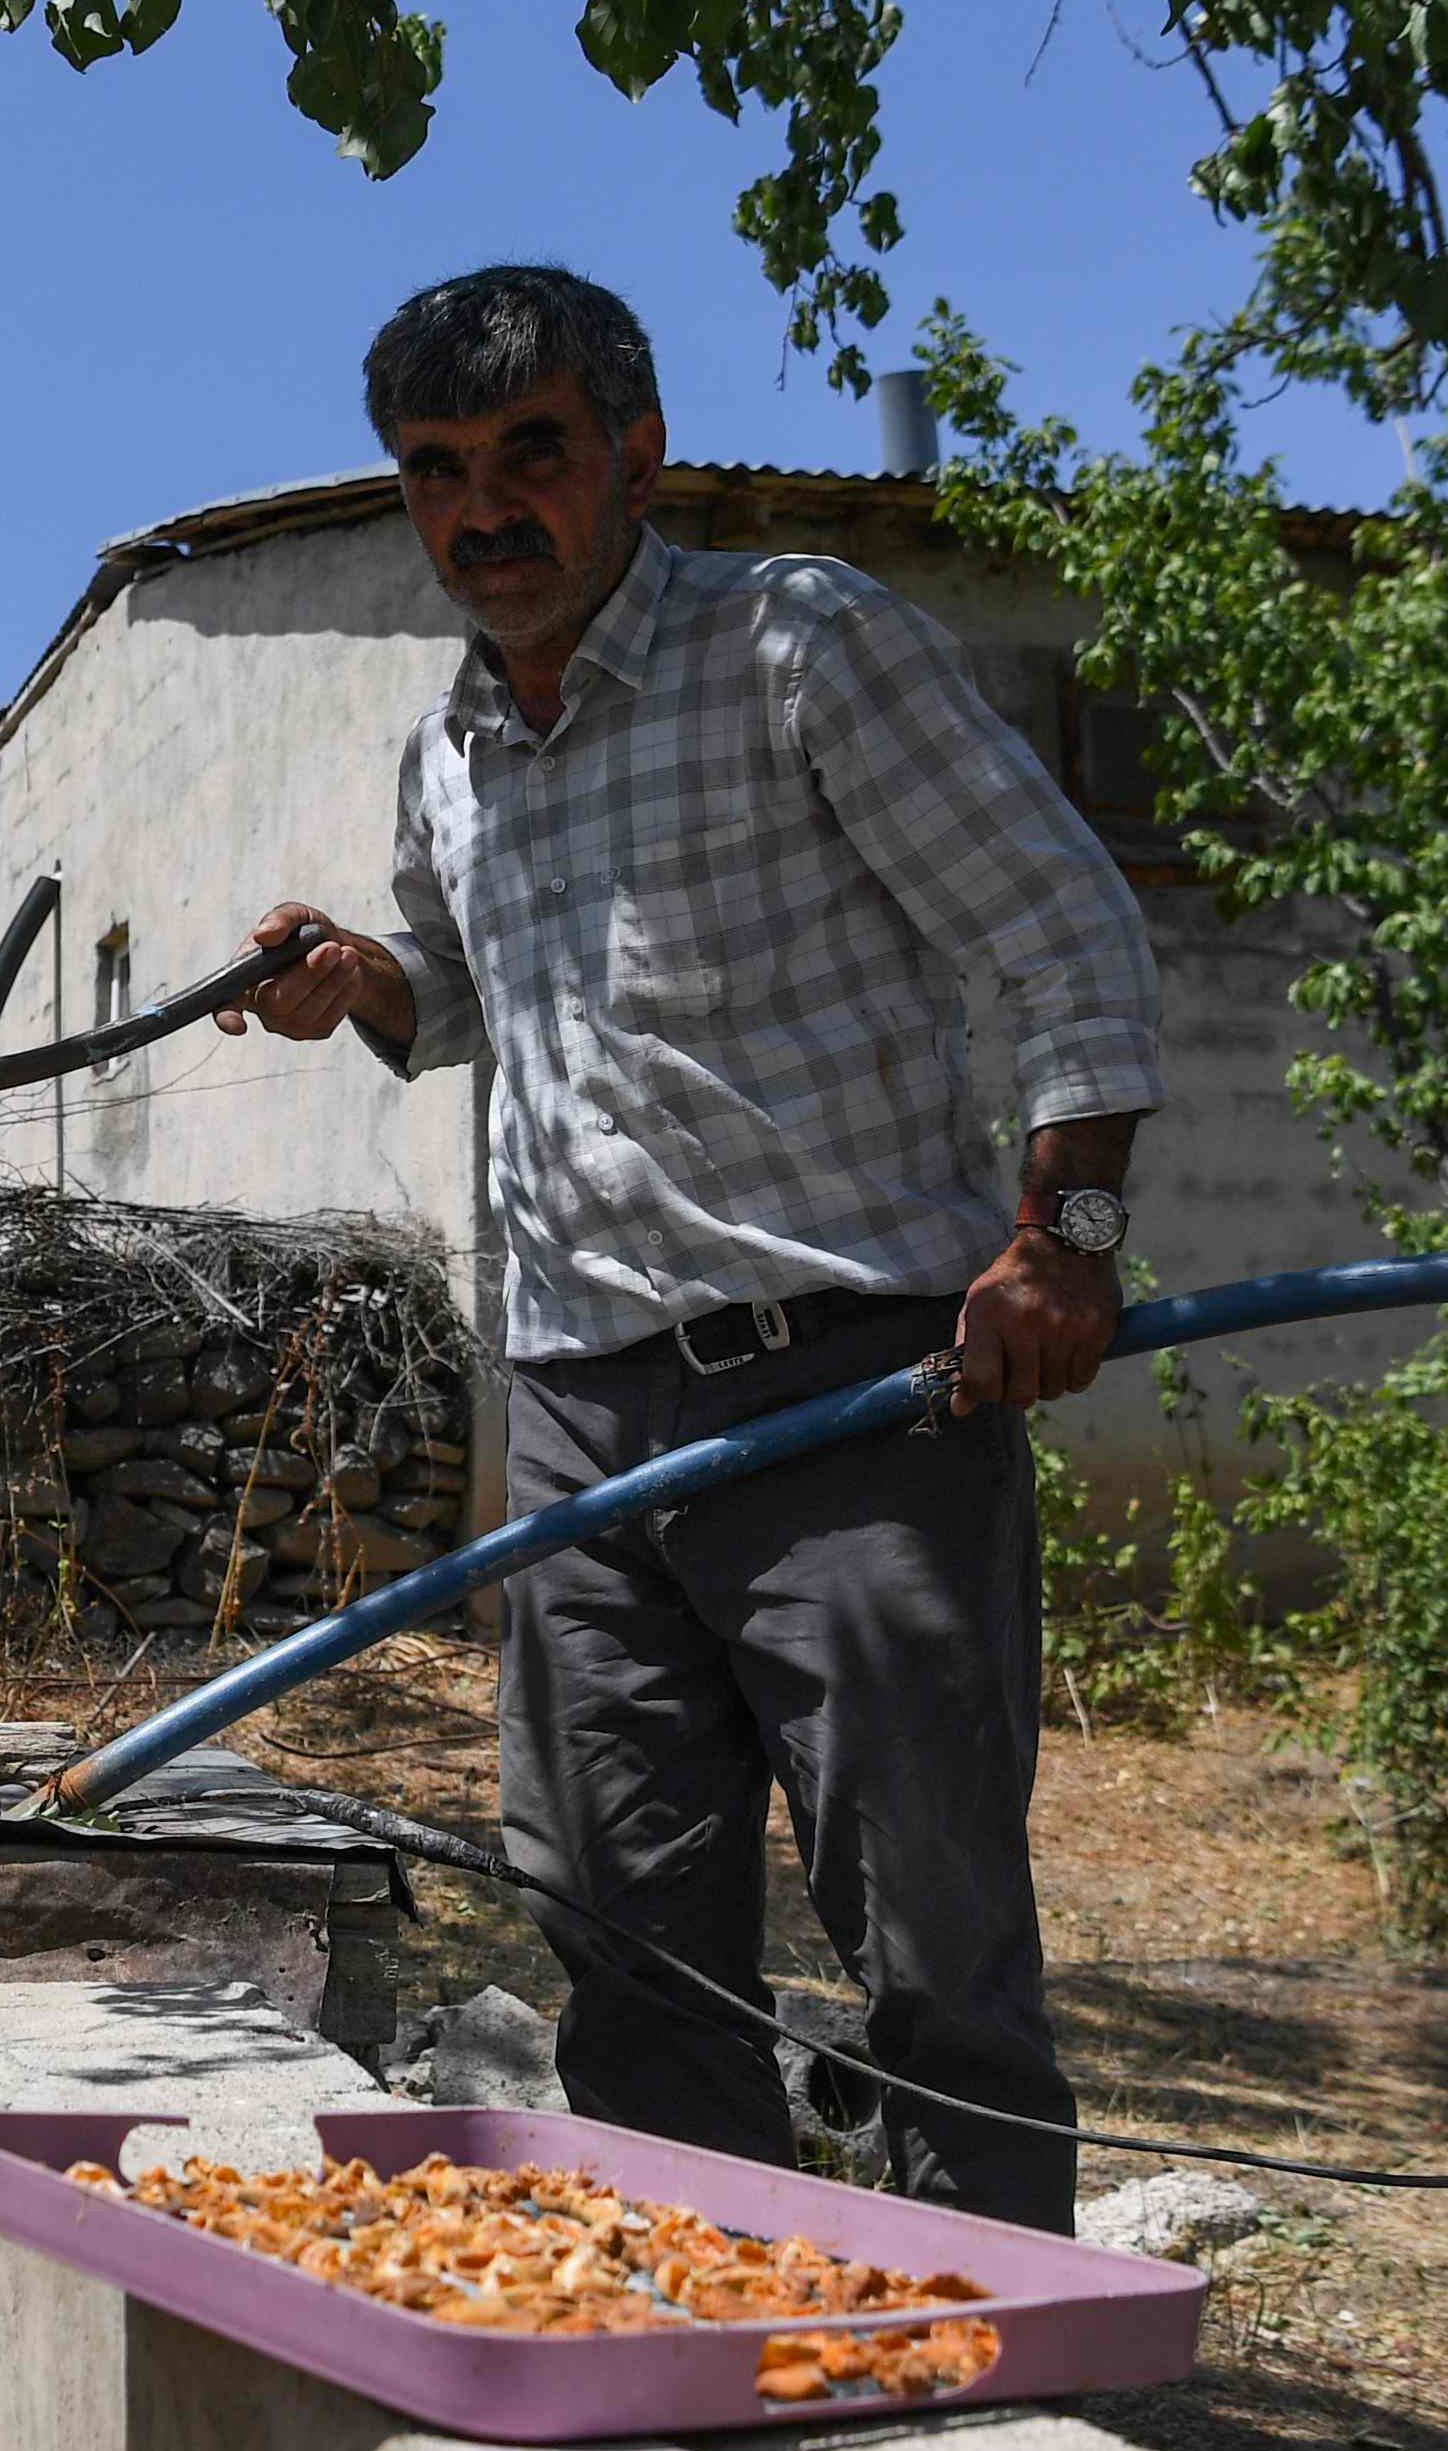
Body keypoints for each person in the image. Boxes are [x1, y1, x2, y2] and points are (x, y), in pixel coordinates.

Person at [223, 264, 1162, 2234]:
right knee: (624, 1954)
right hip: (578, 1435)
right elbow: (465, 995)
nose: (485, 510)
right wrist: (354, 985)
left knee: (933, 1954)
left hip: (855, 1401)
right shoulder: (452, 755)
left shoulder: (801, 650)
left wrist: (1063, 1237)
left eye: (531, 457)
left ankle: (999, 2401)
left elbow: (1068, 928)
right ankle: (695, 2376)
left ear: (638, 454)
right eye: (436, 474)